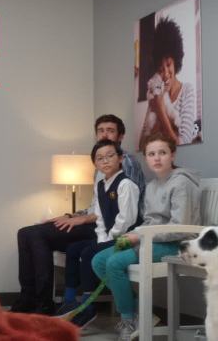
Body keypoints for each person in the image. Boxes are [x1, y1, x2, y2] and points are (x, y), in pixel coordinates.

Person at [11, 114, 145, 314]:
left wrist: (84, 220)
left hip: (115, 229)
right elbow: (96, 206)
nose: (104, 134)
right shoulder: (100, 167)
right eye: (100, 130)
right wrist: (71, 216)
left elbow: (120, 208)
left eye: (110, 130)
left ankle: (44, 303)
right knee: (26, 233)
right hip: (98, 225)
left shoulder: (125, 163)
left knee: (37, 235)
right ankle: (28, 298)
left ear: (120, 136)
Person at [90, 133, 200, 340]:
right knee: (99, 261)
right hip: (153, 240)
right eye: (151, 154)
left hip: (178, 243)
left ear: (172, 155)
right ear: (146, 158)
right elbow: (149, 222)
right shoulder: (151, 186)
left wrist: (140, 237)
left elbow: (181, 228)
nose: (156, 158)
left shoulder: (181, 184)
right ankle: (140, 311)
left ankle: (128, 319)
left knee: (114, 263)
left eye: (162, 153)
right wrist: (135, 233)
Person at [54, 139, 139, 328]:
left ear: (120, 158)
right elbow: (99, 218)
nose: (105, 161)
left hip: (126, 238)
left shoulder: (126, 184)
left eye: (110, 156)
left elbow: (126, 220)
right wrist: (102, 240)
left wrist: (106, 241)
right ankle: (69, 301)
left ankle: (88, 306)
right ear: (95, 163)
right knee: (73, 249)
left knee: (88, 253)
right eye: (100, 158)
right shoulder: (100, 185)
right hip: (107, 237)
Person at [138, 17, 197, 148]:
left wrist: (160, 110)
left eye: (168, 65)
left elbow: (184, 143)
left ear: (176, 61)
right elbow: (141, 145)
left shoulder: (187, 91)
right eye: (160, 69)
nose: (165, 74)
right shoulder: (156, 92)